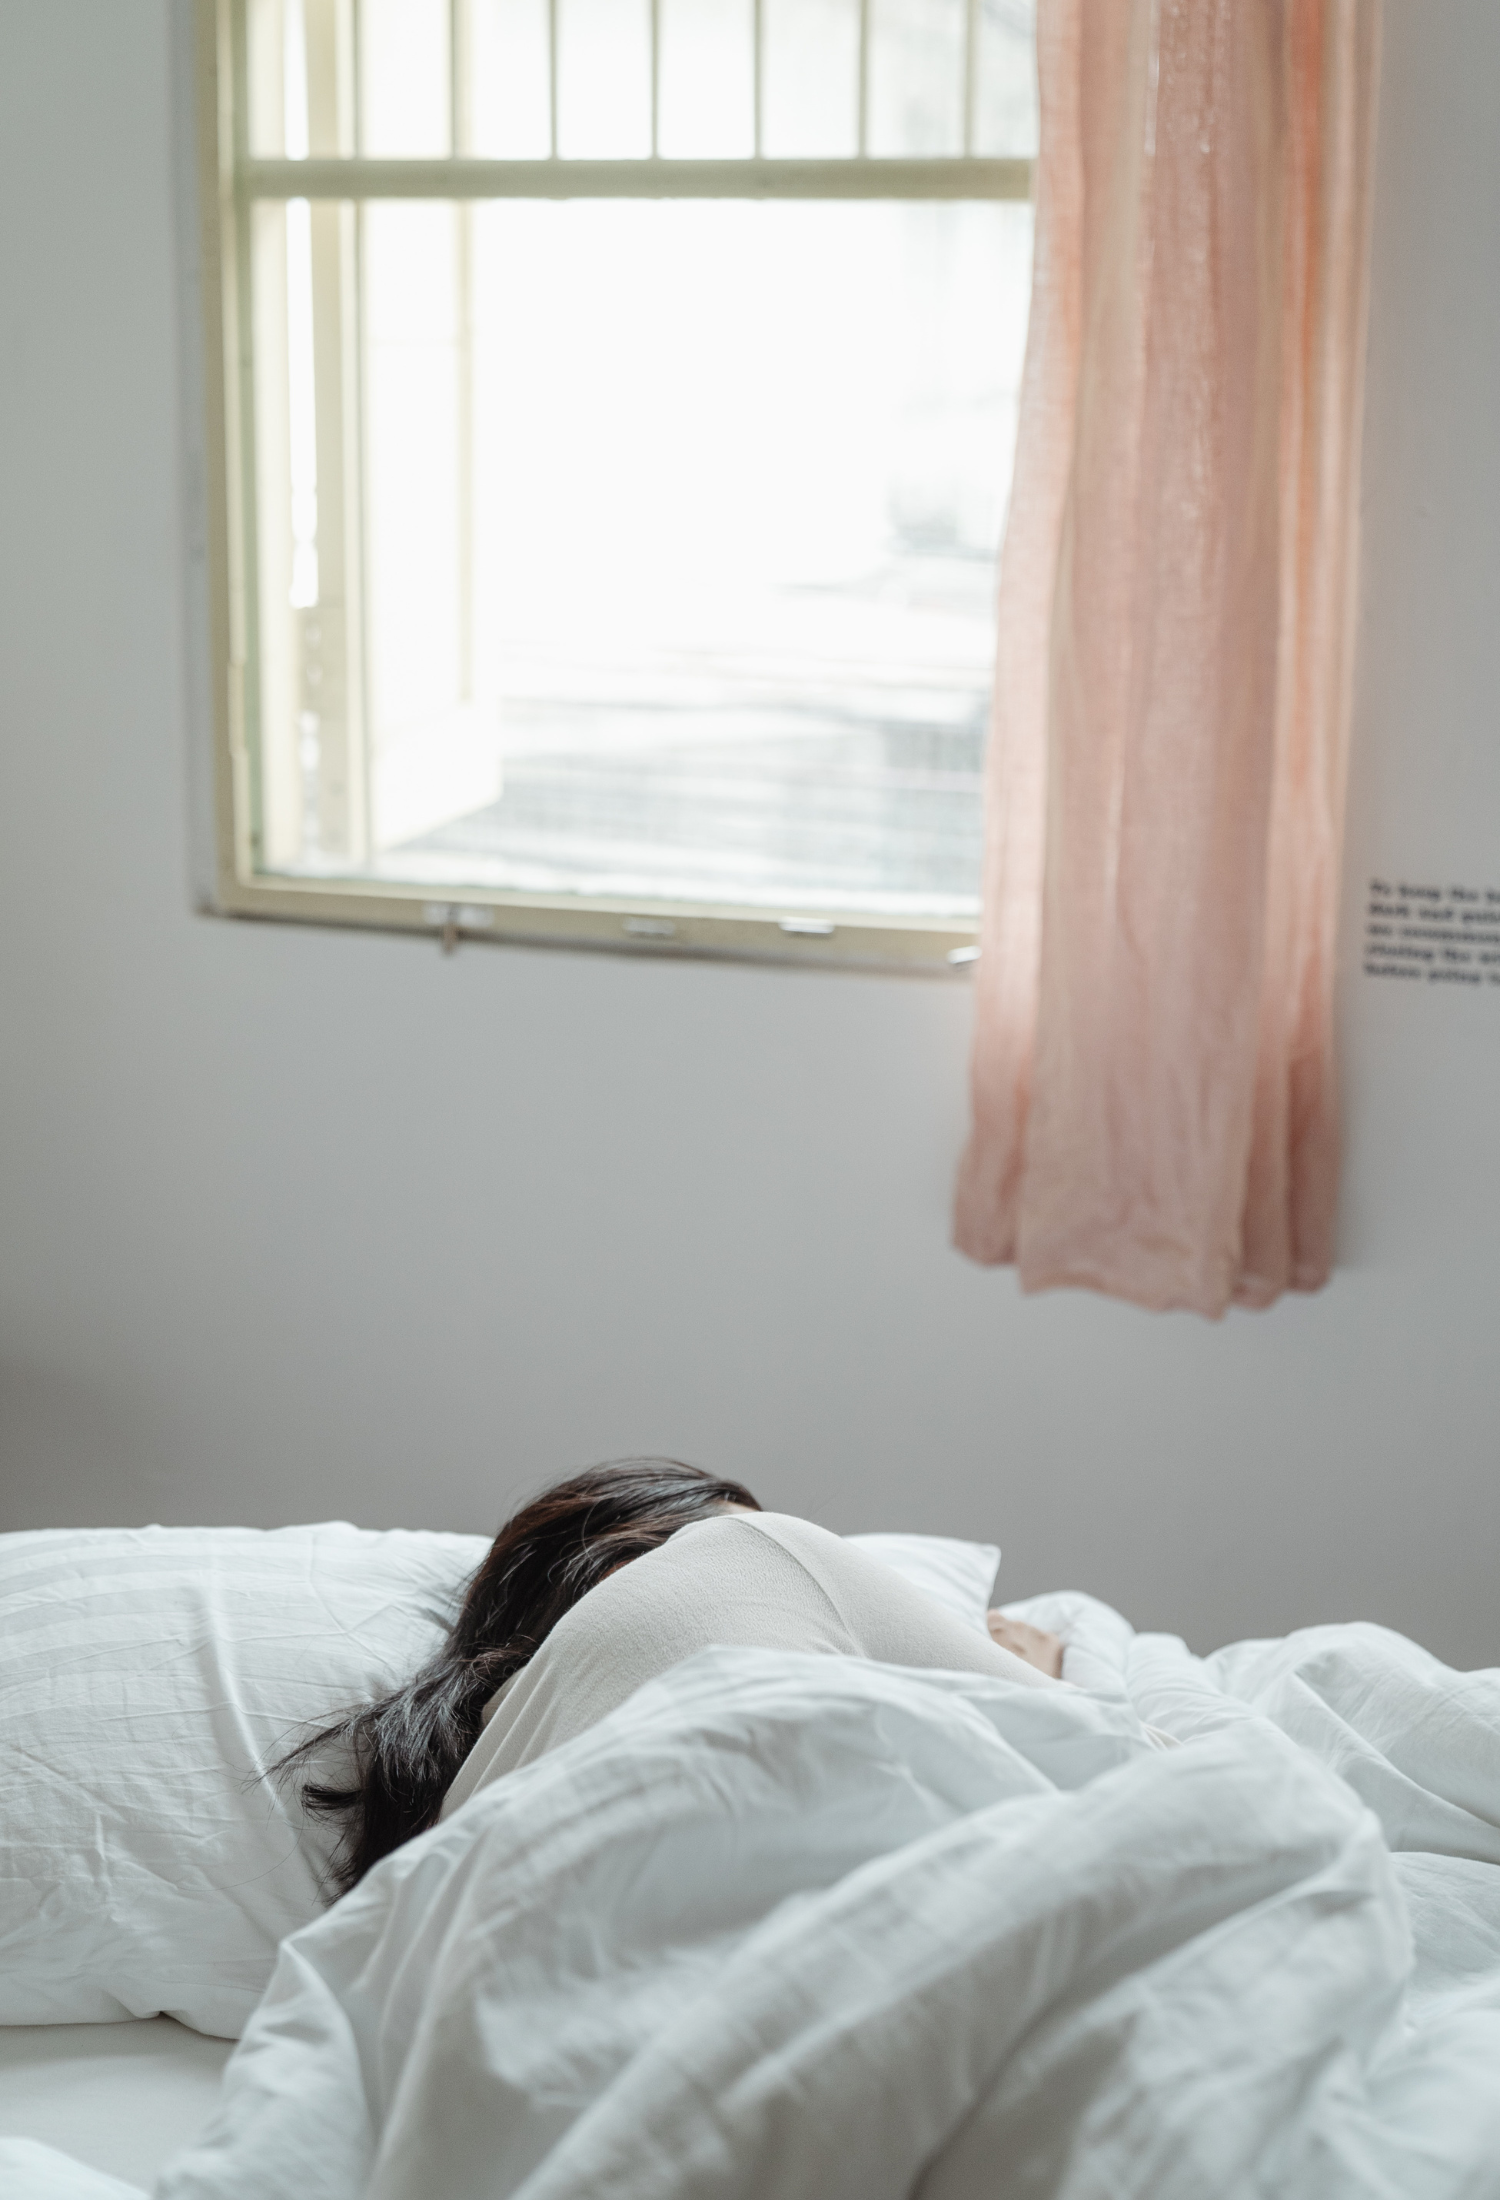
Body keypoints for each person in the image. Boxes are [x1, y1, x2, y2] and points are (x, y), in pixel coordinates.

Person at [279, 1458, 1065, 1893]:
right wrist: (1033, 1676)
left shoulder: (442, 1836)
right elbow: (1147, 1769)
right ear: (642, 1546)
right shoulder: (756, 1552)